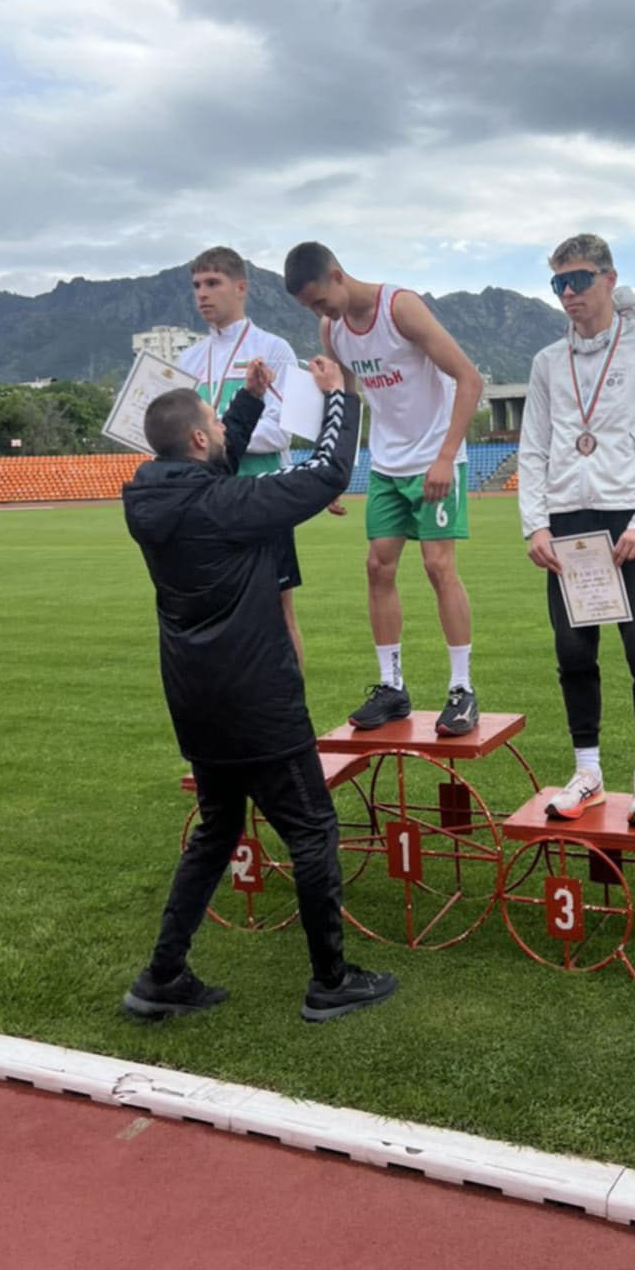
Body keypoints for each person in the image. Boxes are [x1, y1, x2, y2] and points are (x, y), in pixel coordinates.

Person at [120, 354, 398, 1024]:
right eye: (216, 423)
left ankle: (162, 975)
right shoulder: (224, 505)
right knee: (312, 829)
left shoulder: (157, 498)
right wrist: (339, 396)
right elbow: (328, 473)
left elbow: (212, 467)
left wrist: (243, 404)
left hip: (197, 701)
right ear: (197, 439)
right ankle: (330, 980)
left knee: (217, 830)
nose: (223, 431)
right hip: (256, 698)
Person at [517, 233, 635, 827]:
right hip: (568, 524)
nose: (568, 293)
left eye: (579, 279)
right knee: (573, 652)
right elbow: (533, 446)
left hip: (629, 521)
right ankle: (587, 772)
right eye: (558, 283)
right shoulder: (546, 361)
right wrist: (535, 525)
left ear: (609, 279)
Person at [283, 241, 484, 737]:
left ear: (337, 274)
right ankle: (392, 686)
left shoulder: (400, 308)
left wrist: (444, 457)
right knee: (377, 567)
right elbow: (348, 399)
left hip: (434, 458)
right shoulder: (332, 329)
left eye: (319, 300)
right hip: (387, 463)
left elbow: (469, 379)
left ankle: (462, 689)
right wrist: (333, 469)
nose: (319, 312)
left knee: (438, 567)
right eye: (309, 308)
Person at [178, 246, 307, 669]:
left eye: (212, 283)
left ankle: (292, 708)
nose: (202, 293)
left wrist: (213, 439)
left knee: (279, 611)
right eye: (197, 285)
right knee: (216, 613)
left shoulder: (273, 349)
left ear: (240, 287)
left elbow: (279, 431)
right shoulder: (187, 359)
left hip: (262, 496)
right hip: (208, 503)